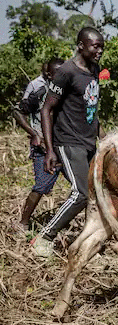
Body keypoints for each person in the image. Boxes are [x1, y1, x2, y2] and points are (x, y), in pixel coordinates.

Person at [31, 27, 105, 257]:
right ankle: (44, 238)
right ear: (81, 45)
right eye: (95, 46)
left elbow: (90, 106)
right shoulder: (66, 71)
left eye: (102, 46)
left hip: (88, 141)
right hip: (68, 141)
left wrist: (102, 136)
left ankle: (90, 246)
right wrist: (50, 149)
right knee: (81, 193)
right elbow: (46, 110)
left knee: (98, 194)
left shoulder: (94, 69)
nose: (100, 51)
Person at [12, 58, 65, 233]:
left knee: (81, 187)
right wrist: (34, 134)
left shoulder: (66, 86)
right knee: (42, 185)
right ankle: (23, 223)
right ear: (49, 74)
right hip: (43, 146)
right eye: (58, 73)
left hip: (64, 143)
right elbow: (18, 111)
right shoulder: (38, 88)